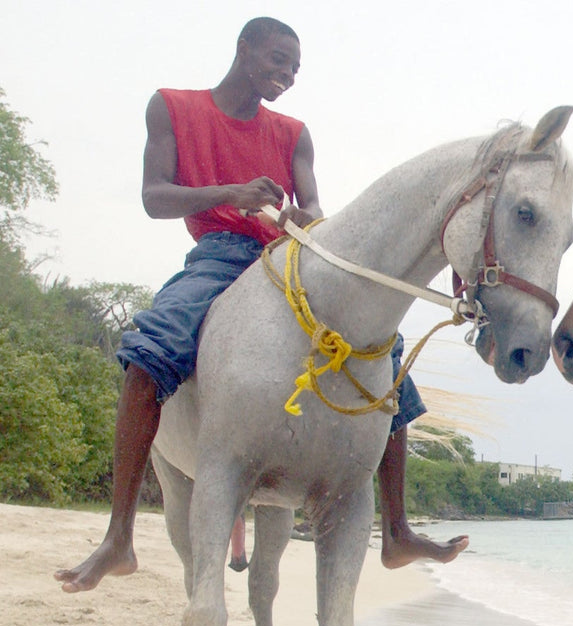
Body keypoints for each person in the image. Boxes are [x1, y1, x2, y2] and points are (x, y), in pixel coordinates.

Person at [55, 17, 465, 594]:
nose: (287, 75)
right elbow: (154, 197)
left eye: (295, 68)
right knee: (149, 349)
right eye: (278, 60)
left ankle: (396, 530)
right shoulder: (172, 106)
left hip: (289, 257)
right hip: (220, 254)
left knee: (384, 354)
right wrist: (233, 194)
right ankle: (118, 537)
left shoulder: (295, 133)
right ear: (244, 49)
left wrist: (303, 217)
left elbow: (314, 206)